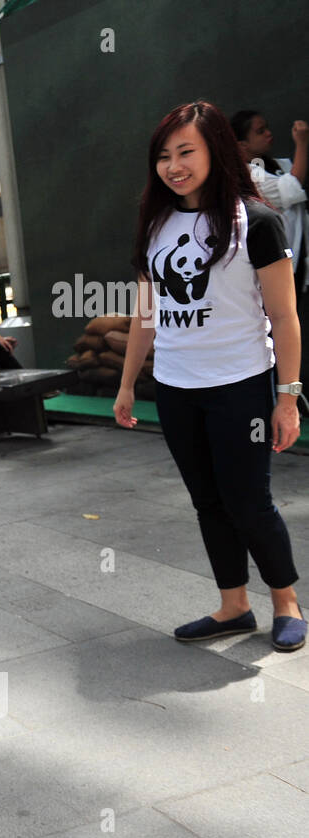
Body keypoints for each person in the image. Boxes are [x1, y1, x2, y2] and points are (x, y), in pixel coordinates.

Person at [116, 100, 304, 653]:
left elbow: (285, 318)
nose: (174, 166)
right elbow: (145, 314)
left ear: (215, 150)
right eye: (164, 156)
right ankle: (233, 605)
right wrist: (129, 384)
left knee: (249, 501)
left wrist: (288, 397)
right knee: (208, 501)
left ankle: (287, 602)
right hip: (177, 390)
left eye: (186, 152)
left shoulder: (257, 221)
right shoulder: (155, 224)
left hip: (240, 384)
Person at [231, 109, 309, 382]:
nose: (268, 134)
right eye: (259, 131)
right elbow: (291, 188)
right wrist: (302, 143)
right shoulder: (251, 175)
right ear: (241, 146)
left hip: (295, 263)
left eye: (267, 128)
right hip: (269, 268)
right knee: (274, 327)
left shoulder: (278, 165)